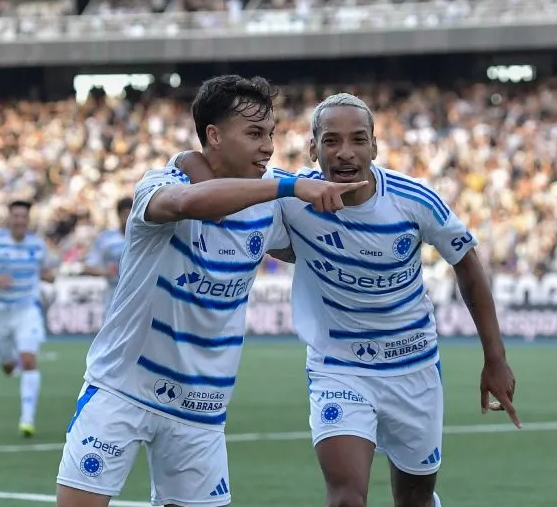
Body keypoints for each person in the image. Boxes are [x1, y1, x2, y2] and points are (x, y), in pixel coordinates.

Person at [173, 93, 519, 507]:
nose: (345, 152)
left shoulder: (414, 200)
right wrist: (185, 159)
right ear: (313, 147)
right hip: (339, 367)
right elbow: (202, 171)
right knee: (345, 498)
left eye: (358, 140)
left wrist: (495, 358)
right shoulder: (291, 195)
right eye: (331, 141)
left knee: (414, 498)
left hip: (413, 366)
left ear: (374, 145)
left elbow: (468, 266)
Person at [55, 75, 365, 507]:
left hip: (201, 408)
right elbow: (188, 203)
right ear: (214, 136)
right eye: (255, 133)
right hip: (122, 389)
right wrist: (289, 185)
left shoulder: (271, 198)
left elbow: (326, 239)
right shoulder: (160, 185)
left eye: (271, 134)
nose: (269, 146)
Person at [0, 200, 56, 438]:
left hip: (27, 309)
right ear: (9, 219)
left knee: (28, 360)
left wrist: (49, 276)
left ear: (28, 220)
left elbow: (47, 271)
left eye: (23, 217)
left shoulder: (37, 245)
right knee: (8, 366)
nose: (19, 220)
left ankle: (27, 420)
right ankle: (11, 362)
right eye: (15, 216)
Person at [82, 197, 133, 311]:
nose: (128, 219)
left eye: (131, 215)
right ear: (119, 215)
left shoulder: (144, 239)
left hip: (138, 297)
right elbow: (88, 267)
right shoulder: (106, 239)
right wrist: (107, 272)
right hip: (114, 297)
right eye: (125, 215)